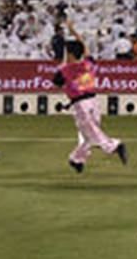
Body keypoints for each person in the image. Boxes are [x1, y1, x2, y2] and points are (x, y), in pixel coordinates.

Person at [53, 21, 127, 173]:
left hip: (80, 104)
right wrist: (73, 30)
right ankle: (76, 159)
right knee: (89, 134)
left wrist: (64, 61)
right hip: (94, 100)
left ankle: (113, 146)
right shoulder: (88, 64)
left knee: (91, 131)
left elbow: (56, 81)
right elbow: (84, 46)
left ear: (70, 54)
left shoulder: (66, 70)